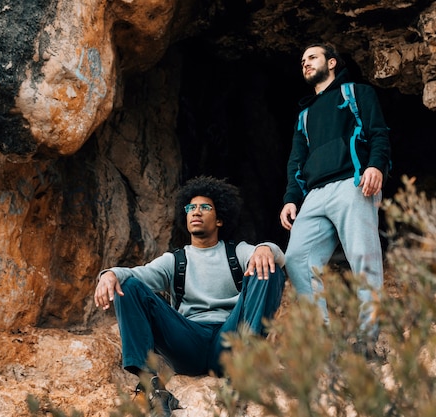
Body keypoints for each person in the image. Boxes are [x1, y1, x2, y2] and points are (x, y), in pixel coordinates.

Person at [95, 176, 286, 416]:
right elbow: (137, 274)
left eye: (205, 207)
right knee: (129, 285)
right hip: (188, 342)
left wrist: (265, 248)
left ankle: (244, 371)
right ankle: (152, 388)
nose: (196, 212)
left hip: (230, 341)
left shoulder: (235, 252)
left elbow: (276, 256)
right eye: (191, 207)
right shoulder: (175, 260)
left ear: (218, 220)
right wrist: (109, 274)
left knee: (267, 269)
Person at [279, 43, 391, 353]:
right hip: (314, 194)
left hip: (352, 183)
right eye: (302, 60)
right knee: (297, 258)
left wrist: (375, 166)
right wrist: (291, 198)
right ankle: (323, 344)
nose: (305, 63)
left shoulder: (356, 93)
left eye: (312, 57)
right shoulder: (304, 115)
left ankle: (368, 341)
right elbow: (296, 160)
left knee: (363, 259)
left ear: (331, 63)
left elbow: (379, 132)